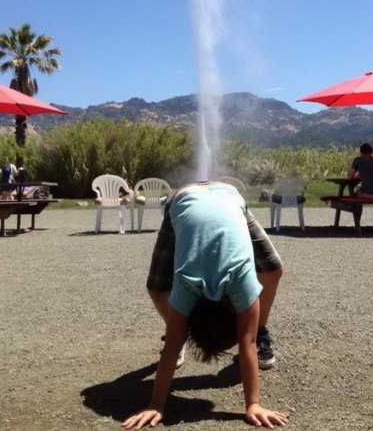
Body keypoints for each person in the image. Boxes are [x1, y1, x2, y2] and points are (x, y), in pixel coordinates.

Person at [121, 181, 287, 430]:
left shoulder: (202, 285)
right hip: (188, 198)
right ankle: (240, 327)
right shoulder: (193, 283)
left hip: (223, 196)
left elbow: (247, 342)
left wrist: (157, 405)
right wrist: (253, 404)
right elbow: (242, 341)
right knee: (156, 289)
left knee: (272, 269)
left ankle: (260, 329)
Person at [347, 142, 373, 228]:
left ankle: (357, 223)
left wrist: (358, 175)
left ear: (361, 152)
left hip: (366, 194)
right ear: (371, 151)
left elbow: (349, 176)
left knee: (356, 197)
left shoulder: (358, 160)